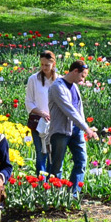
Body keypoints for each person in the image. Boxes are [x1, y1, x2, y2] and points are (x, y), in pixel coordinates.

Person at [47, 60, 98, 196]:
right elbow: (69, 110)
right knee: (57, 165)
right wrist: (87, 128)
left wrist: (84, 128)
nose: (83, 79)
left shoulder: (74, 86)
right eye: (83, 75)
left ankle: (73, 195)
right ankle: (54, 195)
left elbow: (78, 109)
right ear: (75, 71)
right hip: (61, 131)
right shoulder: (57, 86)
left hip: (77, 131)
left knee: (81, 161)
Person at [25, 50, 57, 176]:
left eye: (47, 65)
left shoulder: (58, 80)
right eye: (42, 64)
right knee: (41, 153)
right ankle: (40, 181)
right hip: (38, 122)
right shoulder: (33, 79)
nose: (44, 67)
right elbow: (29, 102)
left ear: (53, 64)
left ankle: (51, 180)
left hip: (54, 122)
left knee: (52, 153)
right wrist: (42, 113)